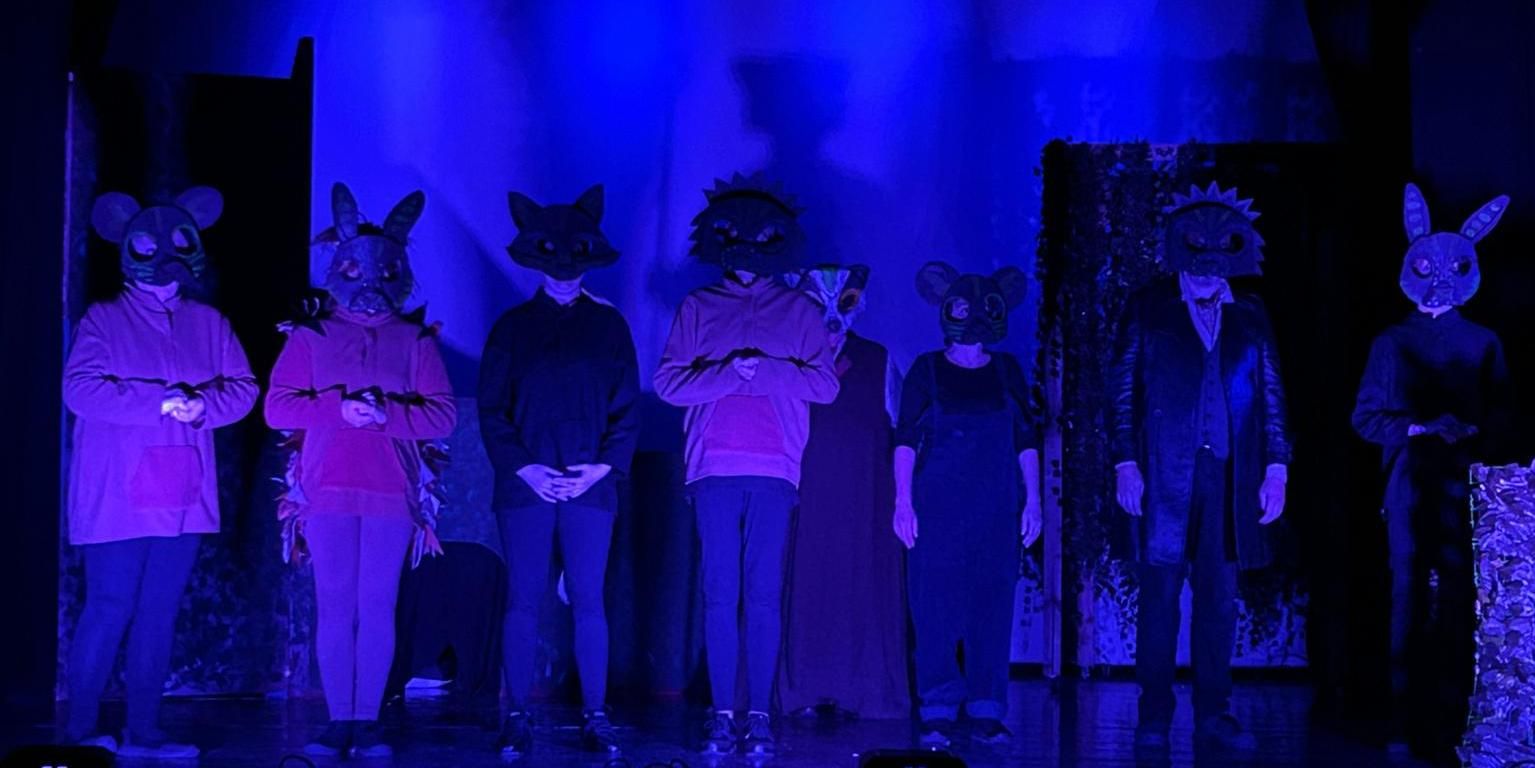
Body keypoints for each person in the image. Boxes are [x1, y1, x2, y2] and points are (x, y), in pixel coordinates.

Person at [63, 186, 258, 758]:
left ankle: (144, 732)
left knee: (159, 612)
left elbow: (244, 389)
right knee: (109, 606)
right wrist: (159, 402)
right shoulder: (104, 319)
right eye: (150, 249)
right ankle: (79, 733)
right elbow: (80, 390)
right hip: (117, 492)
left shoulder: (209, 323)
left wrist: (206, 406)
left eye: (178, 247)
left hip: (180, 491)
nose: (166, 264)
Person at [267, 183, 456, 759]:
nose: (370, 284)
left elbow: (442, 415)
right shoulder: (312, 336)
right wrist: (337, 409)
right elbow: (278, 407)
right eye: (355, 270)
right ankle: (338, 720)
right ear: (339, 269)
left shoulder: (414, 340)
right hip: (326, 488)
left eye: (384, 272)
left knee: (377, 605)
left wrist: (385, 416)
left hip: (390, 491)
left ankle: (367, 721)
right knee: (335, 603)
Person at [654, 173, 839, 755]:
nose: (749, 254)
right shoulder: (699, 306)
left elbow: (825, 385)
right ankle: (721, 713)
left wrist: (770, 370)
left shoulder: (799, 310)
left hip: (775, 468)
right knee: (718, 592)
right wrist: (728, 372)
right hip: (714, 467)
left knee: (762, 593)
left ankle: (758, 714)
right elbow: (668, 383)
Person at [1111, 183, 1291, 755]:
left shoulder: (1251, 315)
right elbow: (1122, 390)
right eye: (1198, 261)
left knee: (1218, 598)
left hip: (1229, 477)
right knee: (1160, 596)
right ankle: (1154, 714)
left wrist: (1277, 469)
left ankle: (1215, 712)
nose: (1208, 274)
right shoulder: (1148, 306)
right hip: (1163, 473)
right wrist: (1125, 461)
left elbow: (1272, 394)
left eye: (1218, 262)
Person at [1352, 183, 1513, 764]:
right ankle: (1403, 719)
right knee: (1408, 597)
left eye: (1453, 269)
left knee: (1465, 600)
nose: (1440, 280)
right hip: (1409, 487)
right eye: (1428, 267)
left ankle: (1455, 720)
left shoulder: (1483, 342)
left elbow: (1505, 417)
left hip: (1468, 492)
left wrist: (1473, 434)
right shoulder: (1392, 343)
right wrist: (1421, 427)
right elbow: (1365, 418)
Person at [479, 184, 640, 758]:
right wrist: (525, 469)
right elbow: (492, 409)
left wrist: (601, 469)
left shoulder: (609, 327)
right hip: (527, 487)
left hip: (589, 487)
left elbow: (627, 409)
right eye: (554, 261)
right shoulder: (512, 327)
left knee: (590, 599)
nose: (566, 273)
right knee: (523, 598)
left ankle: (596, 714)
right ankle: (517, 715)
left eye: (577, 262)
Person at [893, 261, 1041, 748]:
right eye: (962, 308)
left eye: (984, 309)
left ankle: (986, 708)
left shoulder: (1006, 370)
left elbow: (1025, 439)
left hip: (996, 507)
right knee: (933, 605)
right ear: (947, 310)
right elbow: (905, 439)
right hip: (937, 506)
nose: (973, 318)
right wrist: (902, 501)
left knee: (992, 605)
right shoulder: (927, 370)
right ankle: (937, 706)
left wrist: (1034, 501)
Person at [777, 264, 910, 721]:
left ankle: (862, 690)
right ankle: (801, 688)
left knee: (859, 586)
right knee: (804, 587)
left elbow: (902, 432)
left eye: (844, 305)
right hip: (803, 500)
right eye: (817, 306)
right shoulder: (785, 358)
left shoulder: (876, 361)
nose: (832, 320)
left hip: (863, 501)